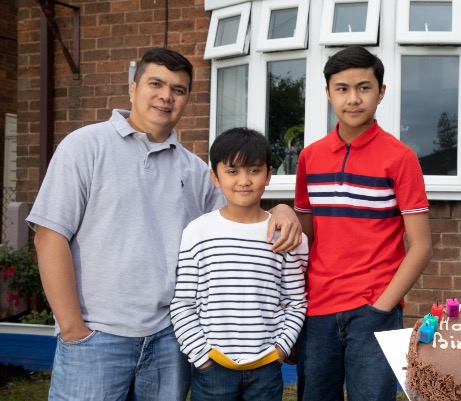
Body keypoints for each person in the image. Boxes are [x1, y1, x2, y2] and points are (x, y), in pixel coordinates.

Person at [26, 48, 302, 401]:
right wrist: (73, 328)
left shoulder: (196, 171)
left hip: (168, 342)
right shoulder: (84, 147)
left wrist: (281, 208)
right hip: (97, 336)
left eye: (178, 89)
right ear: (132, 88)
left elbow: (240, 218)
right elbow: (49, 237)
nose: (166, 96)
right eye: (155, 84)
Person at [293, 46, 433, 401]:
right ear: (328, 93)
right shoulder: (309, 158)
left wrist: (383, 306)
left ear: (381, 92)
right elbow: (305, 237)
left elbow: (421, 246)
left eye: (364, 88)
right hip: (318, 308)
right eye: (342, 88)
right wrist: (281, 210)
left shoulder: (401, 158)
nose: (353, 98)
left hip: (375, 310)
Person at [170, 127, 308, 401]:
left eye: (254, 170)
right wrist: (201, 356)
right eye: (232, 171)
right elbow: (183, 303)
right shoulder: (198, 231)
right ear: (215, 177)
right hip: (213, 368)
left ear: (268, 175)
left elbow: (296, 301)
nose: (244, 181)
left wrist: (280, 350)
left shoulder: (281, 234)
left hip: (266, 368)